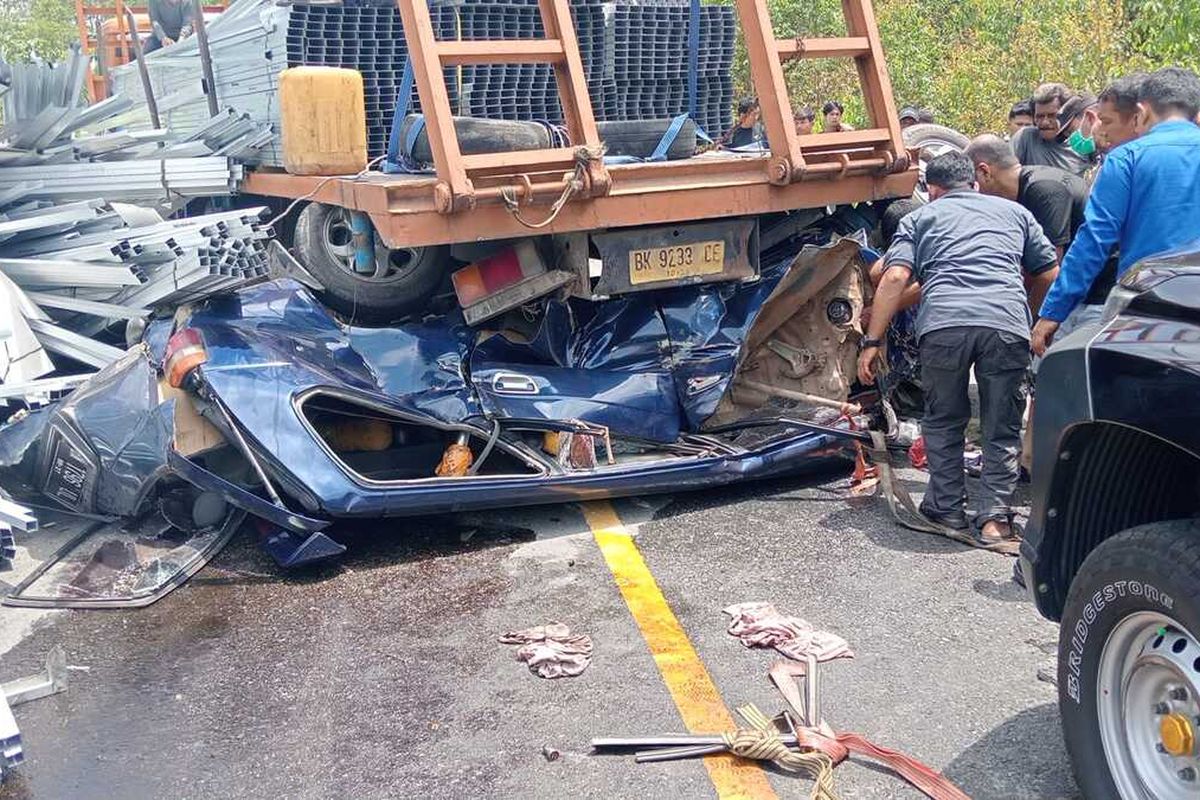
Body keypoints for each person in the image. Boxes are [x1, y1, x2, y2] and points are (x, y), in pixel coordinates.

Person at [858, 151, 1058, 543]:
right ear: (975, 182)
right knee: (1001, 426)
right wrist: (1027, 316)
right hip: (1006, 327)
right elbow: (1049, 271)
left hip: (944, 327)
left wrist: (872, 340)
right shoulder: (1014, 213)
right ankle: (994, 521)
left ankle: (947, 511)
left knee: (943, 419)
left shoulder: (921, 218)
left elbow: (895, 275)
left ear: (932, 190)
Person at [1033, 67, 1200, 355]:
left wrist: (1053, 312)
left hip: (1147, 308)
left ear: (1142, 111)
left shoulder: (1127, 158)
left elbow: (1095, 238)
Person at [967, 134, 1087, 261]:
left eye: (971, 183)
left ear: (984, 172)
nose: (973, 192)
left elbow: (1049, 266)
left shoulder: (1043, 189)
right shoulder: (1026, 189)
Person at [1011, 83, 1095, 176]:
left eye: (1052, 116)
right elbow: (1004, 170)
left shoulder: (1081, 142)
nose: (1045, 122)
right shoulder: (1025, 138)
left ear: (1066, 116)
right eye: (1039, 116)